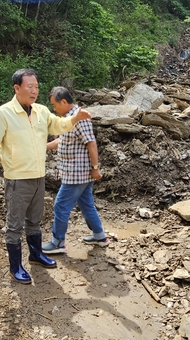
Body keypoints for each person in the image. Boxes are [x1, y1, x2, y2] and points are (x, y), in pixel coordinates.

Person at [0, 69, 92, 284]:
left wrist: (76, 117)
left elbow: (59, 125)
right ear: (17, 88)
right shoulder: (3, 113)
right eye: (30, 87)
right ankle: (16, 267)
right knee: (14, 225)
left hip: (38, 175)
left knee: (35, 220)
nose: (34, 91)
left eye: (37, 87)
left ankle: (35, 255)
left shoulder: (41, 111)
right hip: (17, 178)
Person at [41, 86, 108, 254]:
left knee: (60, 206)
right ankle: (99, 236)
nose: (54, 109)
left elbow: (91, 142)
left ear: (64, 101)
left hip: (78, 173)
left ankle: (58, 242)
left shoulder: (79, 118)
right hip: (74, 172)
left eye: (54, 105)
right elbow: (61, 141)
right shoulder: (69, 119)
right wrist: (41, 147)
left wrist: (95, 168)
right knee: (86, 204)